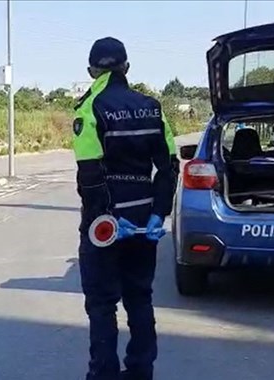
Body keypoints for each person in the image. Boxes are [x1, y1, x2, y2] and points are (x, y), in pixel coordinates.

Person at [72, 37, 177, 380]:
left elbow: (90, 174)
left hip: (105, 225)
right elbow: (168, 166)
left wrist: (106, 219)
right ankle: (140, 371)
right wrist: (158, 214)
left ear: (92, 71)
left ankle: (103, 373)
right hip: (144, 221)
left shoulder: (90, 108)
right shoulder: (153, 107)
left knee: (102, 304)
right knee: (140, 298)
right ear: (126, 68)